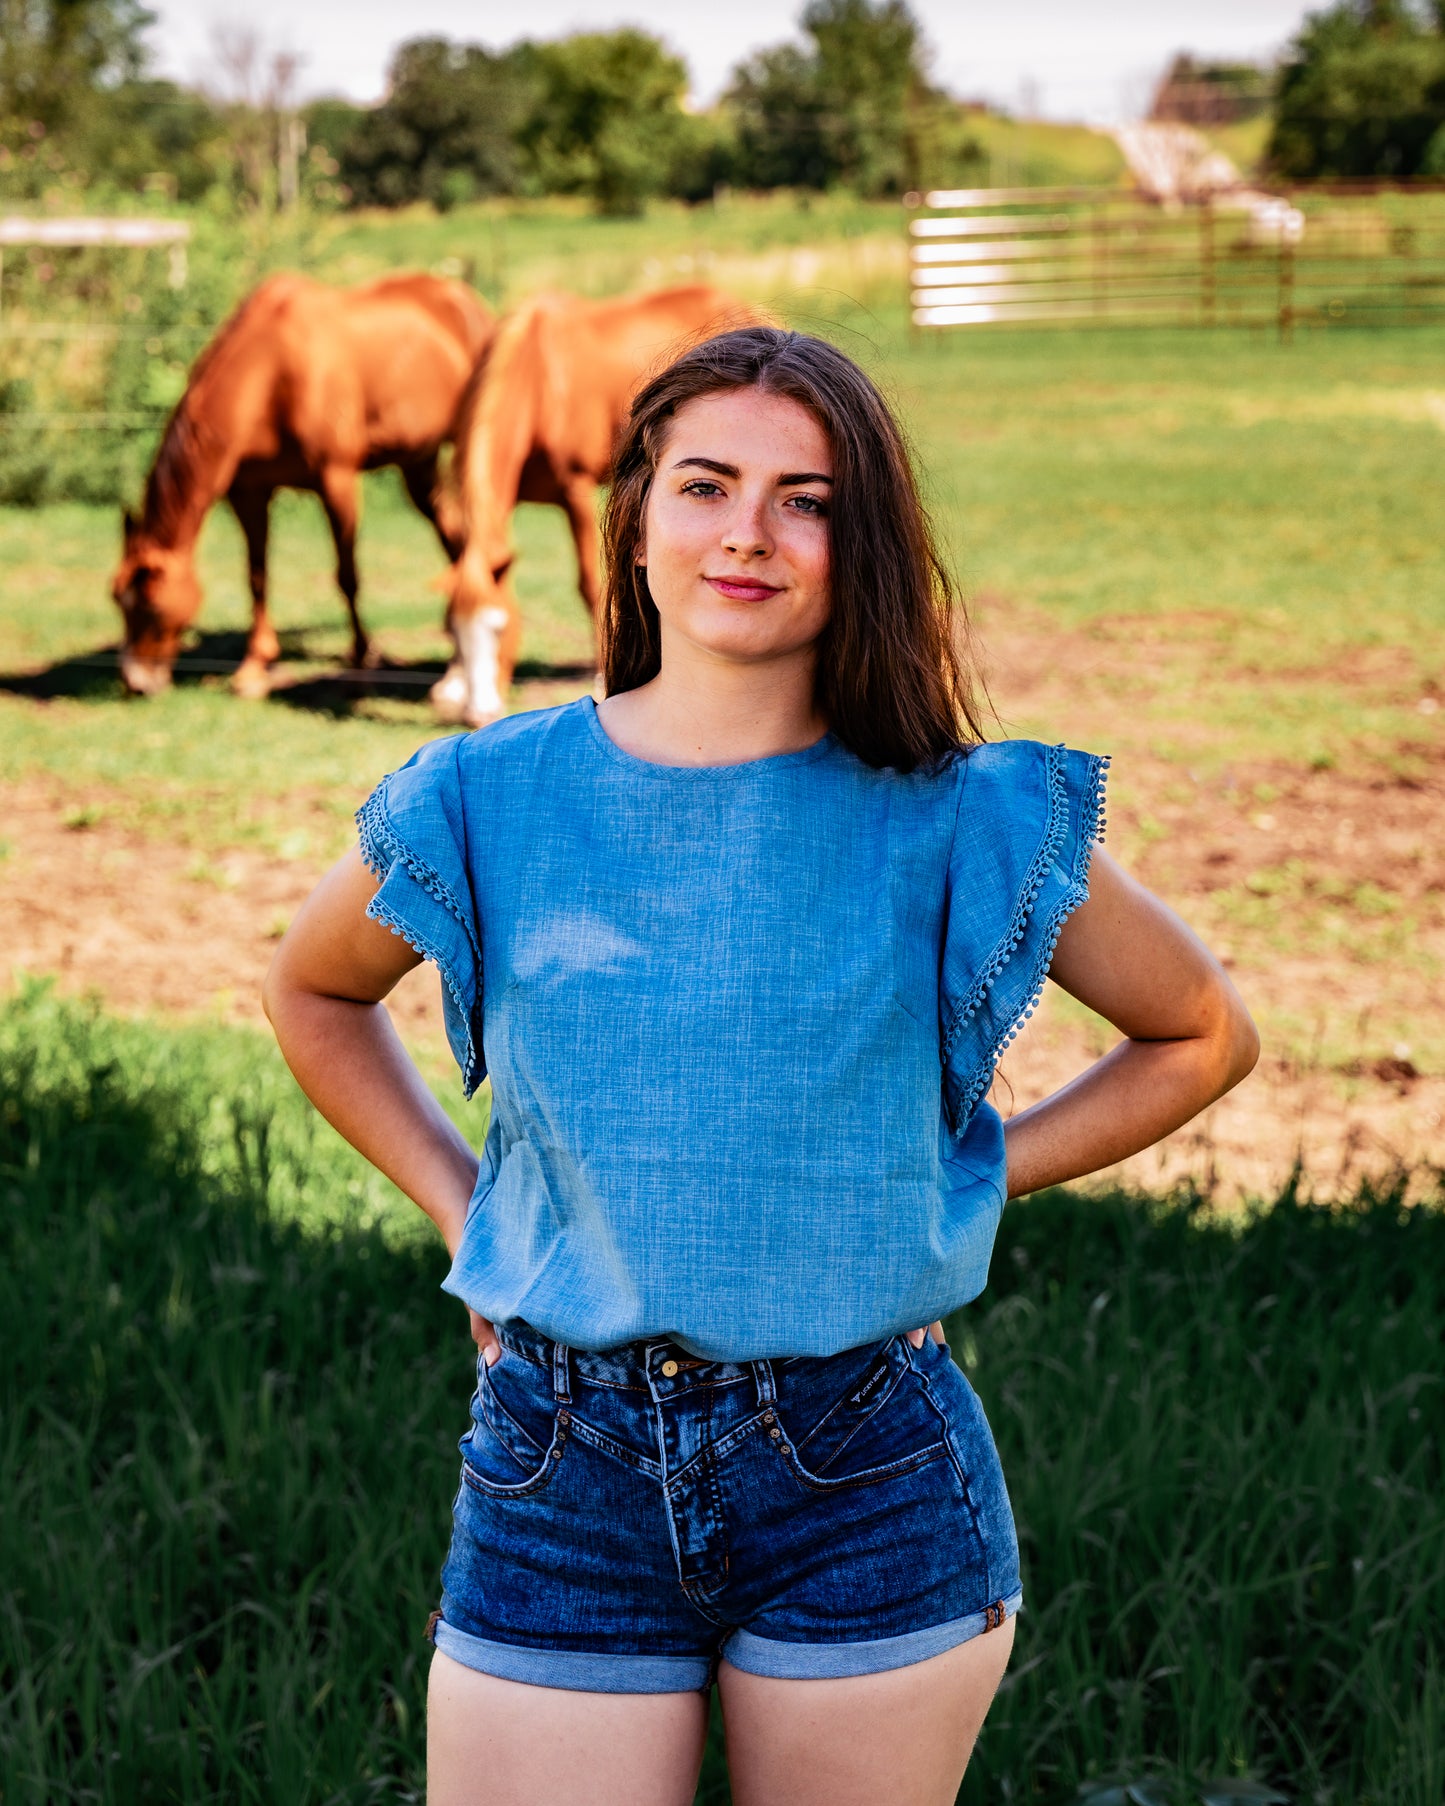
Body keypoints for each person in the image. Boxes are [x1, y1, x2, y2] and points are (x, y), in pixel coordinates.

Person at [263, 326, 1258, 1806]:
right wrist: (458, 1203)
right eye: (707, 483)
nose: (748, 531)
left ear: (864, 547)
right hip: (561, 1462)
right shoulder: (485, 793)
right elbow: (311, 988)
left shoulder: (956, 809)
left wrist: (975, 1170)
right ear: (636, 517)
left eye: (807, 499)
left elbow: (1201, 1034)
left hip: (862, 1465)